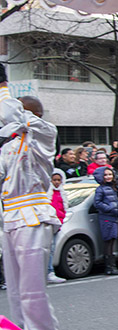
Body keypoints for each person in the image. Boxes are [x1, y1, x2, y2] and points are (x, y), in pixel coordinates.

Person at [0, 67, 61, 330]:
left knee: (32, 292)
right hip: (10, 218)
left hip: (33, 217)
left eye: (24, 111)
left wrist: (3, 87)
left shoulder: (44, 138)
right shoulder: (9, 147)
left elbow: (12, 114)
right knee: (15, 291)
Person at [93, 167, 118, 276]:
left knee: (112, 240)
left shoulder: (112, 188)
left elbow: (116, 201)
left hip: (114, 217)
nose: (108, 177)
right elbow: (97, 203)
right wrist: (109, 208)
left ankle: (112, 266)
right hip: (106, 217)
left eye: (110, 174)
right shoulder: (100, 189)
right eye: (105, 175)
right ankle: (109, 266)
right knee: (108, 241)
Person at [46, 169, 68, 284]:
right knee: (49, 248)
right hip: (49, 222)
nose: (57, 182)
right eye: (54, 180)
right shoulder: (48, 192)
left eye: (59, 180)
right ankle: (48, 271)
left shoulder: (62, 192)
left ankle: (50, 271)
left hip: (58, 223)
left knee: (52, 248)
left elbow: (63, 208)